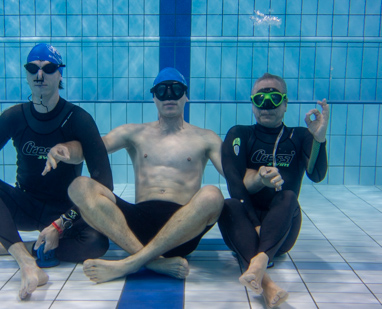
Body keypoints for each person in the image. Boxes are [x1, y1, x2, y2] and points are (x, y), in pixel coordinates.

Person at [43, 67, 225, 283]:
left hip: (183, 231)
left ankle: (130, 263)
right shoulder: (134, 133)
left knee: (213, 194)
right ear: (154, 97)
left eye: (176, 90)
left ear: (186, 95)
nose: (169, 96)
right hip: (138, 225)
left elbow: (233, 176)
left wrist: (261, 176)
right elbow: (93, 148)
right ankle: (154, 262)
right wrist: (64, 149)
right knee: (79, 186)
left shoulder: (206, 138)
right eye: (162, 91)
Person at [0, 43, 113, 299]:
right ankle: (26, 262)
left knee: (98, 243)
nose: (39, 75)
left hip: (65, 211)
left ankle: (8, 247)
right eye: (33, 69)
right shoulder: (13, 117)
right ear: (27, 74)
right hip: (26, 207)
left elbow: (104, 184)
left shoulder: (79, 119)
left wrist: (60, 225)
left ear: (60, 74)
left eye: (48, 68)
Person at [218, 73, 329, 308]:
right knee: (227, 204)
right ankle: (266, 279)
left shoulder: (300, 136)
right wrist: (255, 226)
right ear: (252, 104)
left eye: (274, 98)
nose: (266, 105)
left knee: (288, 196)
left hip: (283, 229)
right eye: (260, 99)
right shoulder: (239, 134)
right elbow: (234, 184)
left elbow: (316, 175)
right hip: (246, 226)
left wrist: (319, 139)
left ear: (286, 104)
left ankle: (258, 261)